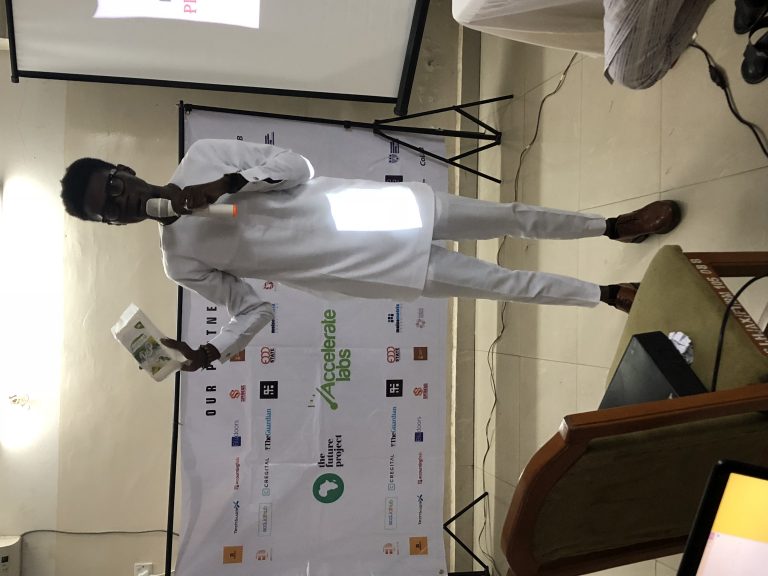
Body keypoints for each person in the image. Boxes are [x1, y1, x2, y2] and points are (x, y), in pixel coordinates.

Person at [60, 139, 681, 371]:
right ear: (112, 224)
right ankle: (605, 295)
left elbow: (296, 166)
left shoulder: (202, 159)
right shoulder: (179, 261)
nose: (120, 200)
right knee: (501, 284)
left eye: (112, 186)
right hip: (361, 268)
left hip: (372, 212)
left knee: (508, 217)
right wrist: (214, 350)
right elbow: (253, 311)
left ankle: (612, 226)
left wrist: (229, 183)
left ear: (122, 169)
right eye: (107, 210)